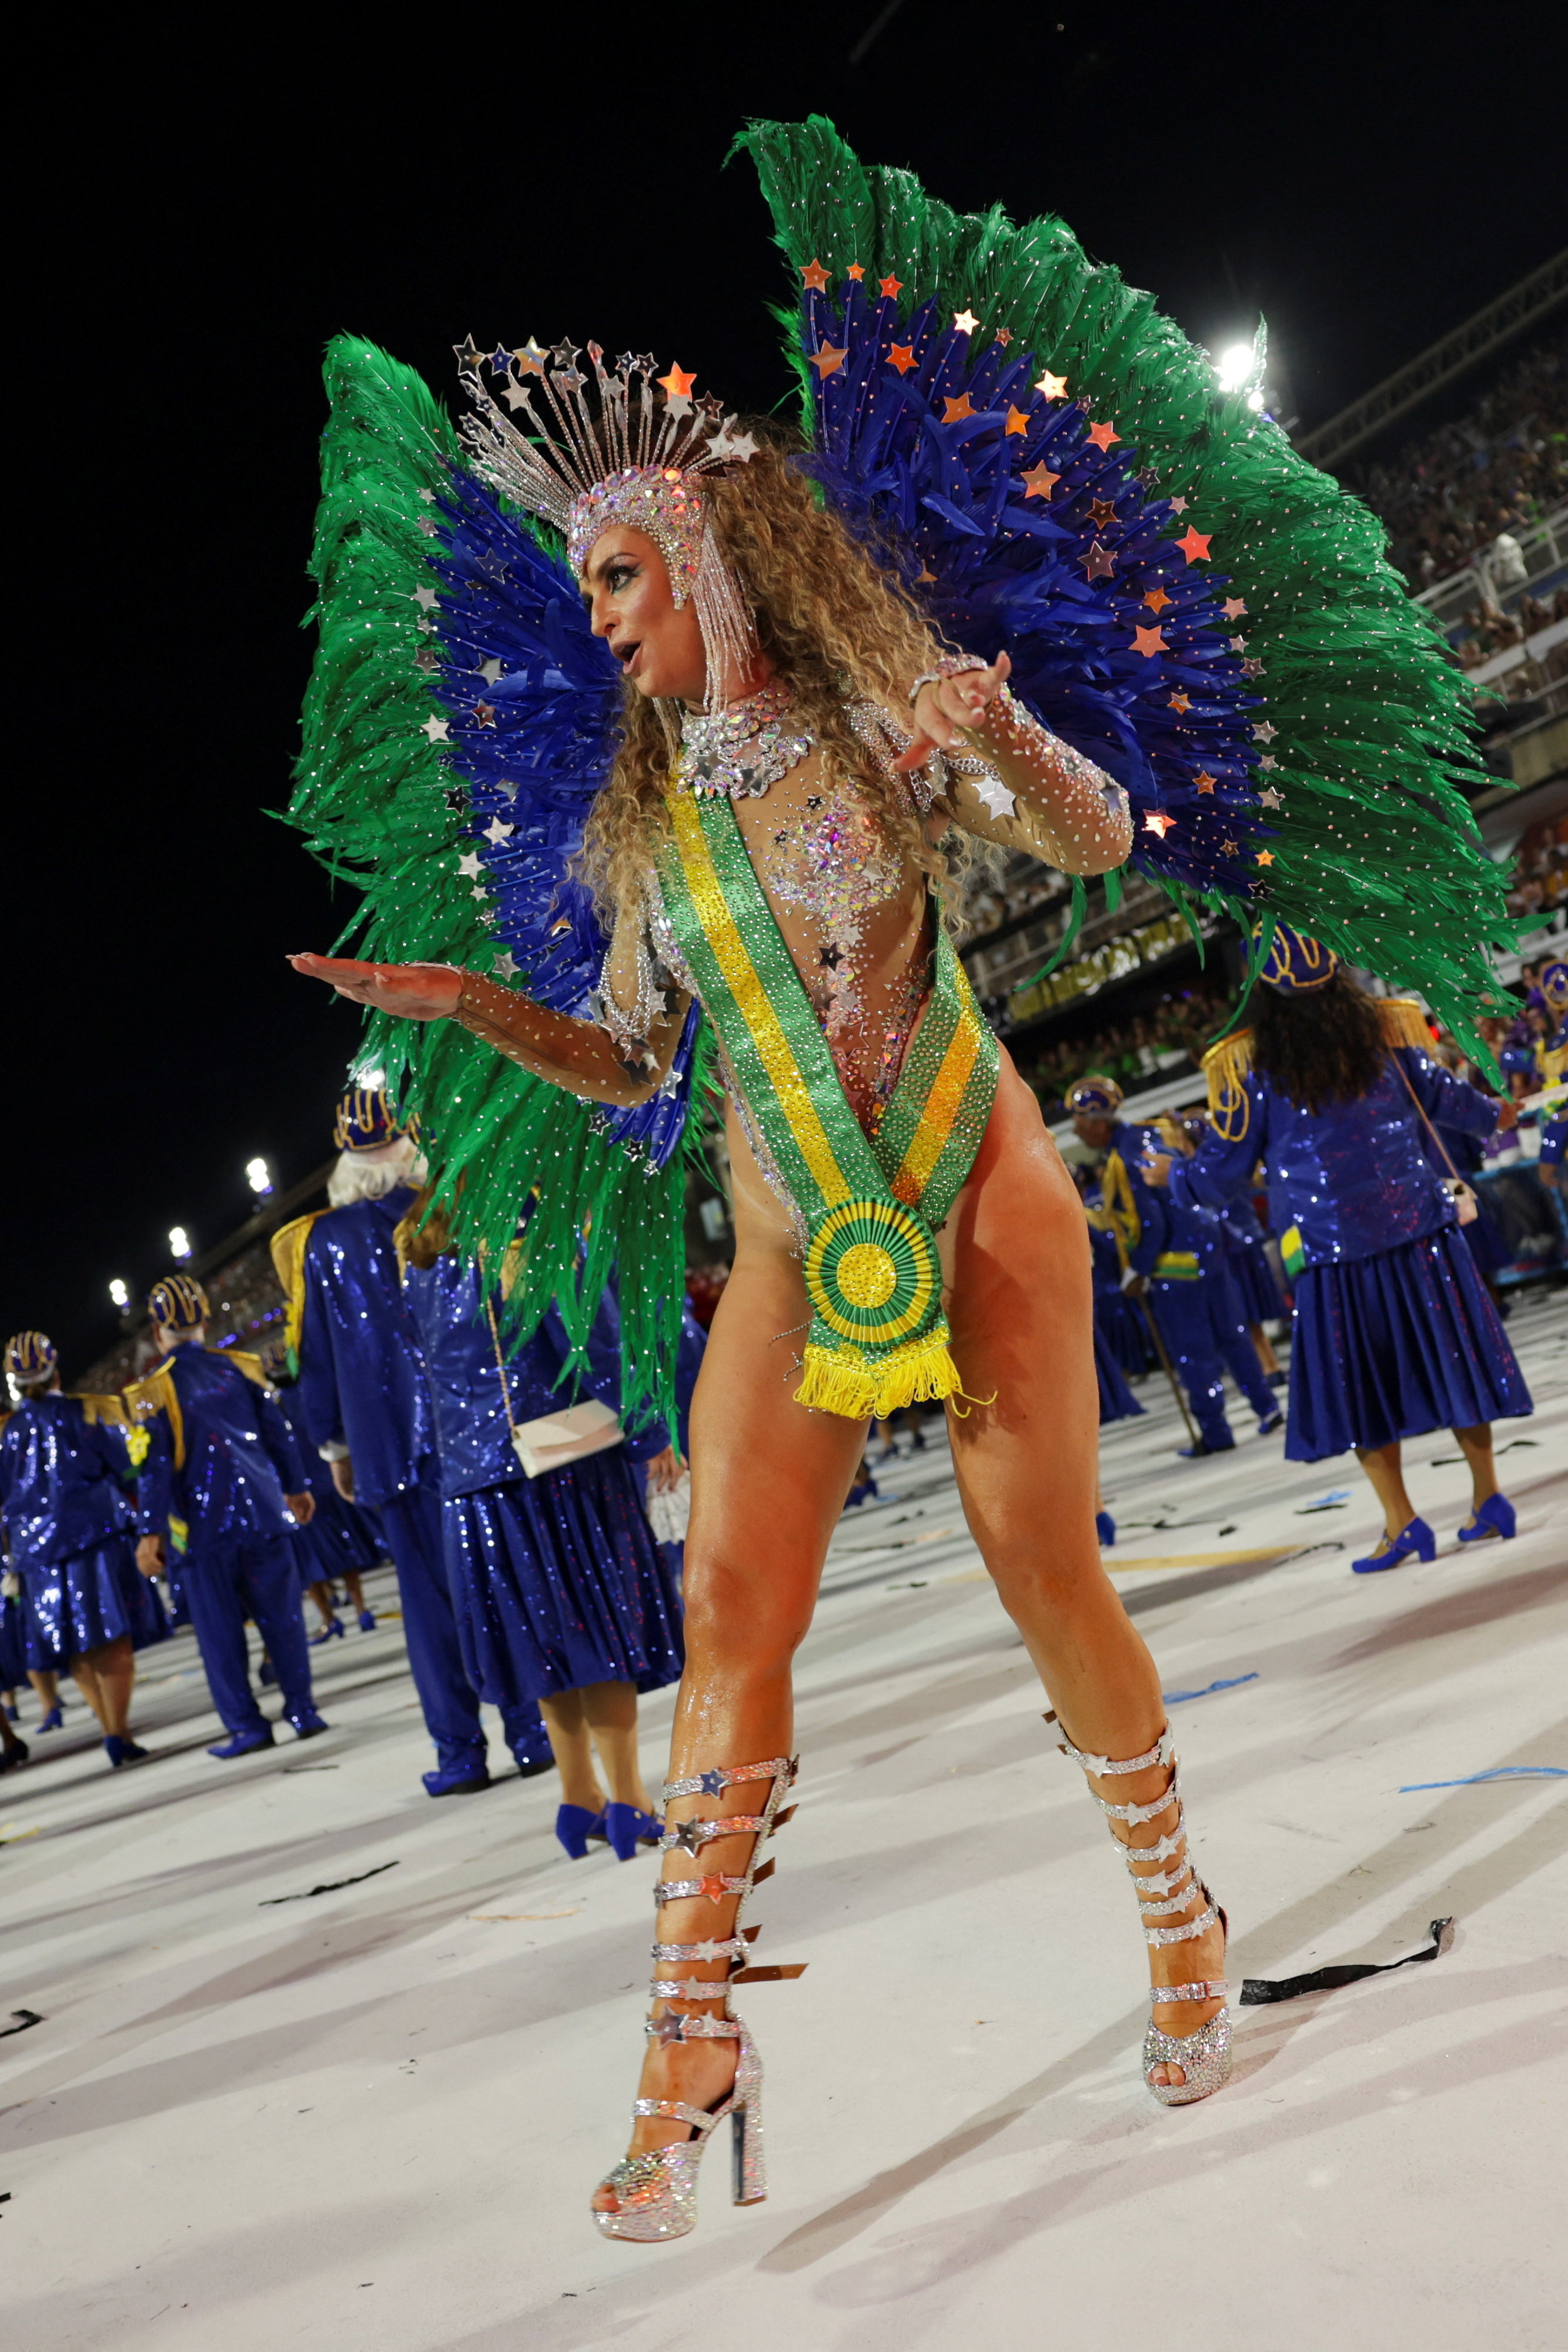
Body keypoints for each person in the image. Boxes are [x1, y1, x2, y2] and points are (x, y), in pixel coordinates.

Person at [284, 122, 1512, 2234]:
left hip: (969, 1173)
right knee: (728, 1615)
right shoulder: (641, 848)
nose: (600, 625)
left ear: (716, 562)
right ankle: (687, 2043)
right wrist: (475, 1014)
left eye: (619, 578)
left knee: (1045, 1559)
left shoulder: (877, 732)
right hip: (783, 1234)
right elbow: (646, 1065)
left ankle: (1179, 1915)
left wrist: (1005, 733)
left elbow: (1104, 845)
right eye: (581, 587)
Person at [1146, 930, 1532, 1570]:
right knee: (1457, 1361)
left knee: (1361, 1390)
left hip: (1333, 1253)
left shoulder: (1253, 1068)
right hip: (1420, 1232)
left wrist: (1173, 1178)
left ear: (1264, 986)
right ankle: (1489, 1497)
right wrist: (1498, 1115)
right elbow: (1443, 1095)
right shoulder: (1386, 1034)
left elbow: (1223, 1172)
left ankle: (1401, 1521)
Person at [270, 1089, 551, 1795]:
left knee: (429, 1608)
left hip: (390, 1447)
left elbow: (318, 1362)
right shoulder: (458, 1205)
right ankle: (530, 1731)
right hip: (479, 1430)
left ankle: (460, 1754)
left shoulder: (320, 1241)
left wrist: (334, 1448)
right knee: (500, 1584)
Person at [399, 1202, 685, 1860]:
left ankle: (578, 1796)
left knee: (545, 1645)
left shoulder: (419, 1246)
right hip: (561, 1465)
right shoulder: (528, 1224)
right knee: (603, 1631)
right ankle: (629, 1799)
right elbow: (591, 1344)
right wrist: (648, 1427)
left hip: (477, 1486)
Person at [128, 1278, 328, 1757]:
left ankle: (248, 1727)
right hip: (263, 1513)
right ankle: (302, 1711)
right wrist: (296, 1486)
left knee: (220, 1636)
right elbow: (278, 1434)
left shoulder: (153, 1390)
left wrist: (149, 1533)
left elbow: (154, 1470)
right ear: (205, 1322)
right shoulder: (242, 1367)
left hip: (201, 1531)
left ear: (159, 1331)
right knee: (283, 1622)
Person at [1071, 1078, 1281, 1456]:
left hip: (1174, 1266)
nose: (1076, 1132)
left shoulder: (1127, 1158)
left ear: (1097, 1124)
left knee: (1193, 1354)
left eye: (1079, 1124)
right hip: (1210, 1249)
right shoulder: (1151, 1136)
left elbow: (1151, 1222)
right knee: (1234, 1337)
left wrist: (1138, 1269)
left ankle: (1216, 1432)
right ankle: (1267, 1407)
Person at [0, 1331, 168, 1768]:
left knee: (77, 1647)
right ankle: (118, 1731)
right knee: (113, 1639)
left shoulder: (6, 1433)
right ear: (57, 1369)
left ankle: (110, 1729)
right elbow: (130, 1464)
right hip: (98, 1535)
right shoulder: (91, 1411)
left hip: (38, 1554)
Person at [272, 1380, 383, 1641]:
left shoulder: (272, 1410)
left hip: (298, 1491)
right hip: (329, 1482)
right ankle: (361, 1610)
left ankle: (330, 1619)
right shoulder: (314, 1395)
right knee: (347, 1553)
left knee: (308, 1561)